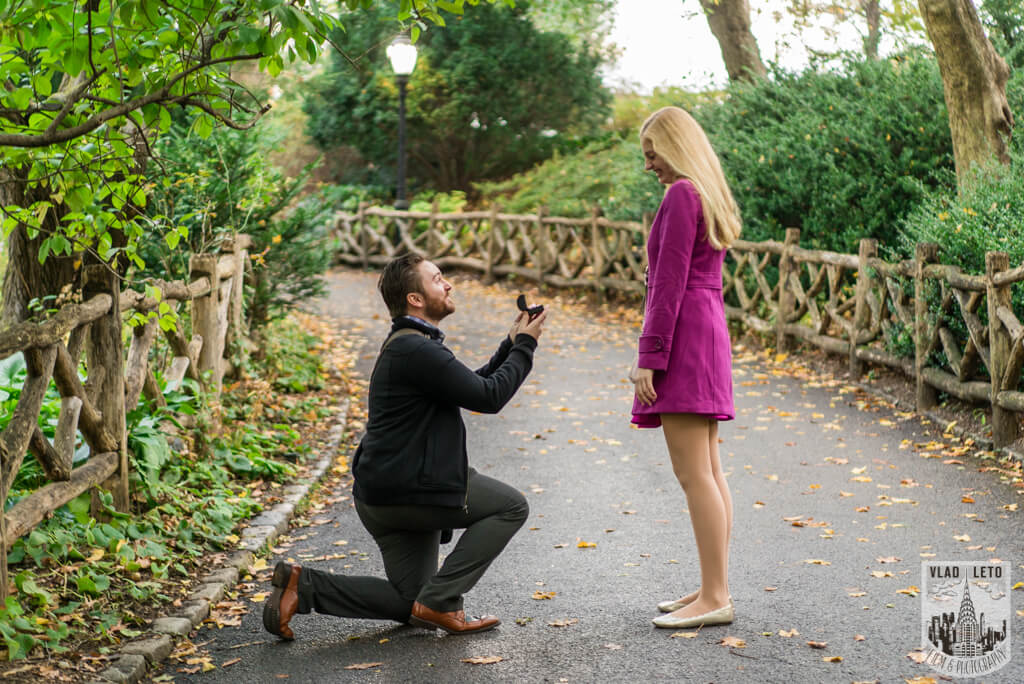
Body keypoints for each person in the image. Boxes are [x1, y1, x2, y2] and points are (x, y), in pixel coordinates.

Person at [263, 254, 547, 638]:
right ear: (415, 298)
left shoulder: (411, 344)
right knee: (511, 506)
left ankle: (304, 586)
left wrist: (510, 345)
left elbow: (470, 385)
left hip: (384, 494)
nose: (447, 285)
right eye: (437, 279)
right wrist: (525, 346)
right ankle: (443, 602)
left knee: (410, 601)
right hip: (413, 489)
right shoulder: (416, 350)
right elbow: (489, 396)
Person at [630, 106, 741, 630]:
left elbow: (669, 283)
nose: (649, 165)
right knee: (710, 470)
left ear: (674, 146)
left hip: (684, 336)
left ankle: (715, 595)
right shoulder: (705, 192)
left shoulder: (680, 195)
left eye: (652, 154)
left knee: (693, 472)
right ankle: (711, 586)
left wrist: (649, 357)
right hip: (707, 328)